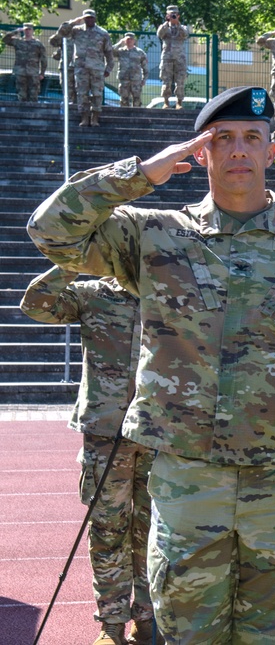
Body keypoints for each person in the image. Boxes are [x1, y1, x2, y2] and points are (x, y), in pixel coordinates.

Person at [27, 86, 275, 643]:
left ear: (271, 151)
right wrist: (141, 173)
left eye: (251, 139)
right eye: (223, 139)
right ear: (201, 153)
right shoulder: (155, 234)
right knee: (187, 632)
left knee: (272, 633)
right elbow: (50, 230)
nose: (238, 150)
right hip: (188, 478)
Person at [20, 266, 154, 645]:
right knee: (108, 530)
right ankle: (111, 626)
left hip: (160, 434)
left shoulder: (170, 292)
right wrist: (70, 263)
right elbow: (35, 304)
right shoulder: (93, 293)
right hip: (106, 433)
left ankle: (147, 621)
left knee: (154, 533)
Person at [55, 9, 113, 127]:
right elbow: (61, 34)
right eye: (87, 18)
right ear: (83, 18)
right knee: (82, 93)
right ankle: (84, 118)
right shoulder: (76, 31)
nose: (89, 20)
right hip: (81, 68)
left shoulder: (103, 33)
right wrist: (73, 22)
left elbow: (109, 53)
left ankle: (95, 118)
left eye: (91, 17)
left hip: (97, 68)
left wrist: (108, 68)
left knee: (97, 94)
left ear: (95, 19)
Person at [2, 24, 47, 102]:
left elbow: (44, 59)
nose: (28, 32)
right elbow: (5, 40)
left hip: (33, 73)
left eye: (29, 30)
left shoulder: (38, 44)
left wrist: (42, 73)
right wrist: (16, 31)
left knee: (33, 95)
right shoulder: (18, 41)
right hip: (20, 72)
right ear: (23, 30)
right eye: (26, 30)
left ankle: (33, 113)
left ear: (32, 31)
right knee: (21, 96)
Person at [157, 5, 189, 109]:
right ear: (167, 16)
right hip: (167, 58)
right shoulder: (164, 27)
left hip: (180, 59)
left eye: (174, 15)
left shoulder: (182, 27)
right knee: (166, 81)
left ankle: (179, 103)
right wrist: (167, 23)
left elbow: (186, 35)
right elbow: (159, 34)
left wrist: (177, 24)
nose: (173, 16)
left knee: (180, 81)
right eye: (171, 15)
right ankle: (166, 102)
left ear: (178, 16)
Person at [112, 33, 147, 108]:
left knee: (137, 100)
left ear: (134, 41)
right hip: (124, 80)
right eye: (127, 39)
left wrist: (144, 79)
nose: (129, 41)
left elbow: (145, 67)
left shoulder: (140, 52)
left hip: (136, 80)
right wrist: (120, 43)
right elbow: (110, 51)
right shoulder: (121, 51)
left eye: (131, 39)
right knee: (124, 100)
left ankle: (137, 117)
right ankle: (125, 116)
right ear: (125, 40)